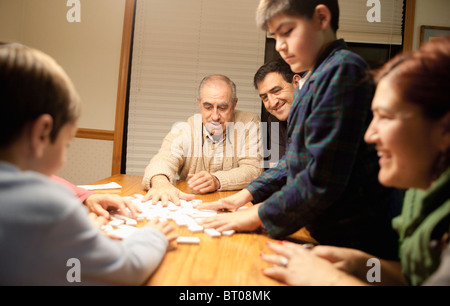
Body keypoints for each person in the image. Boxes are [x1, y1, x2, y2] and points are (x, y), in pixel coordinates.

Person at [198, 0, 402, 260]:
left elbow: (321, 177)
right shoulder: (317, 76)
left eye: (287, 31)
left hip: (356, 240)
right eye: (275, 37)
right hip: (327, 235)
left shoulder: (342, 70)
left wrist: (258, 215)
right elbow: (295, 160)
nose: (280, 45)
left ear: (321, 18)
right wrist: (245, 195)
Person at [260, 35, 450, 286]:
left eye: (386, 117)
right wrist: (361, 264)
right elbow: (413, 279)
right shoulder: (420, 192)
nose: (370, 135)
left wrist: (329, 280)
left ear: (444, 131)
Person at [0, 42, 176, 285]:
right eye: (67, 144)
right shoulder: (49, 207)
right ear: (42, 133)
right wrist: (153, 236)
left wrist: (85, 197)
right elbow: (127, 269)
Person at [142, 74, 263, 205]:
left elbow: (253, 170)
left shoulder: (249, 123)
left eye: (222, 108)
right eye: (208, 107)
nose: (215, 116)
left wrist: (217, 180)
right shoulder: (187, 128)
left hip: (234, 205)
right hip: (192, 203)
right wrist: (160, 181)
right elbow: (163, 158)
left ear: (234, 105)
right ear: (199, 104)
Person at [255, 59, 304, 167]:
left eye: (276, 91)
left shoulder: (320, 111)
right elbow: (277, 167)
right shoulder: (274, 119)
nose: (272, 103)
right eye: (265, 97)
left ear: (296, 82)